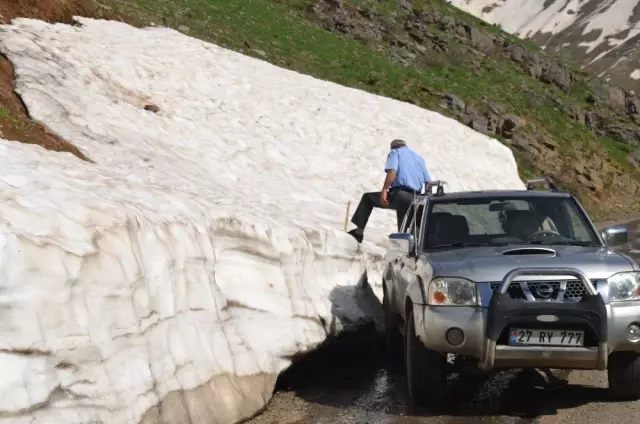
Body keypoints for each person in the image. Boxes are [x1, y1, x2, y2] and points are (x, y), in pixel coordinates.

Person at [347, 139, 432, 243]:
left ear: (393, 147)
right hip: (416, 198)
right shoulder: (419, 158)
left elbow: (392, 171)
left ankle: (358, 232)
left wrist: (384, 190)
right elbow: (428, 182)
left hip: (400, 194)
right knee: (405, 231)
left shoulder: (395, 152)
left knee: (368, 198)